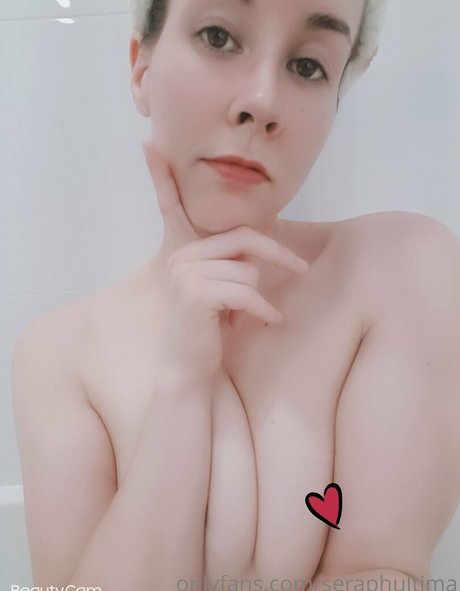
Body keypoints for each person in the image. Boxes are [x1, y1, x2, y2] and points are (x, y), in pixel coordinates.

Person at [11, 0, 460, 590]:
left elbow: (384, 572)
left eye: (308, 66)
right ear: (141, 68)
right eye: (218, 36)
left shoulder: (404, 269)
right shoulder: (56, 355)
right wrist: (181, 383)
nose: (263, 100)